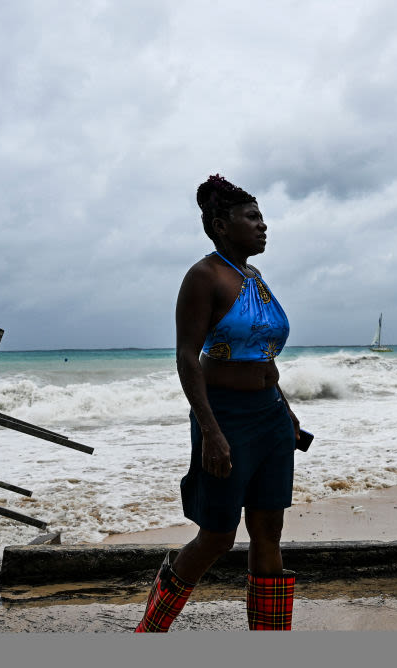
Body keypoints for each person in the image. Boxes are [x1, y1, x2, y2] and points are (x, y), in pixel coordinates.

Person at [135, 173, 301, 632]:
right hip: (224, 416)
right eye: (252, 217)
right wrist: (210, 430)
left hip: (269, 416)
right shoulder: (203, 276)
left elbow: (262, 354)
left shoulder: (254, 276)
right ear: (221, 225)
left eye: (262, 216)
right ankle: (149, 630)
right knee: (217, 536)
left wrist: (285, 412)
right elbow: (188, 357)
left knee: (268, 532)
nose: (263, 225)